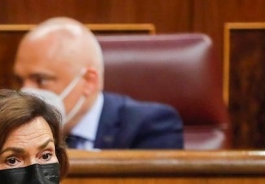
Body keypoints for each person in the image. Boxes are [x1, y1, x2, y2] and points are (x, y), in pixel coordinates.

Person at [13, 17, 184, 150]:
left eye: (41, 80)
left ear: (89, 82)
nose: (26, 91)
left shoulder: (151, 127)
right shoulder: (13, 130)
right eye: (20, 80)